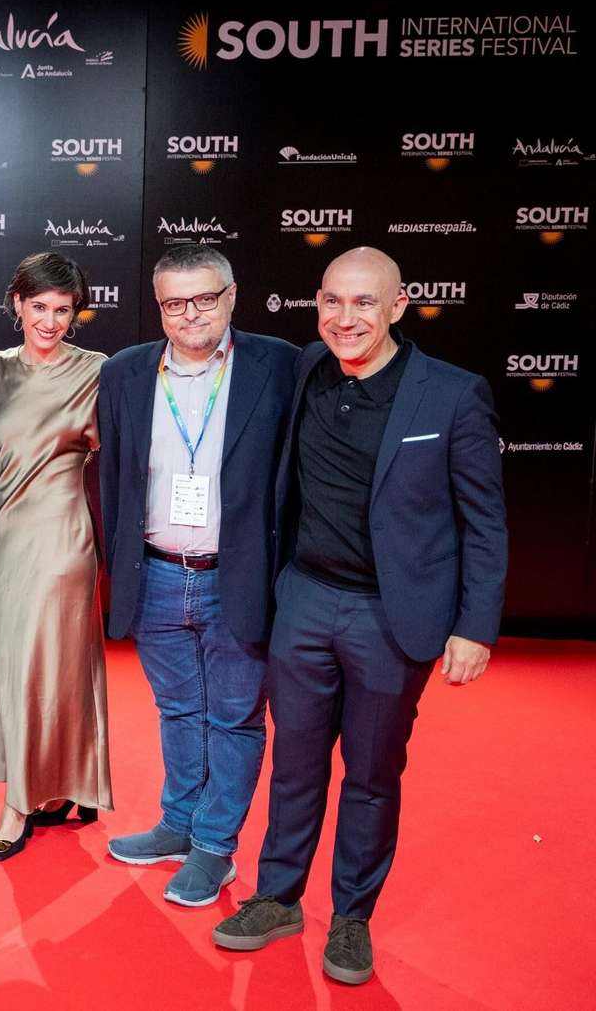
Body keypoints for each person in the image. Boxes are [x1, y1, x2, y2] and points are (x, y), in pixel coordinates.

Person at [214, 247, 506, 986]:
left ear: (400, 306)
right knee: (295, 764)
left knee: (372, 773)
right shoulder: (308, 367)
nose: (346, 318)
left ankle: (352, 917)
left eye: (365, 302)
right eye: (333, 301)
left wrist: (475, 626)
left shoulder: (452, 394)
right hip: (305, 600)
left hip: (391, 618)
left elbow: (485, 522)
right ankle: (278, 897)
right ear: (317, 304)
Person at [97, 243, 299, 907]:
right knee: (179, 709)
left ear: (232, 296)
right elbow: (114, 480)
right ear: (159, 307)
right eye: (175, 303)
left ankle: (215, 846)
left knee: (236, 718)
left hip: (237, 576)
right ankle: (179, 825)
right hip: (155, 574)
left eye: (205, 298)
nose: (191, 314)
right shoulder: (125, 372)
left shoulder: (279, 365)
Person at [0, 253, 111, 862]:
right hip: (3, 538)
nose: (50, 321)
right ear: (17, 304)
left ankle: (19, 801)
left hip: (62, 540)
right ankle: (58, 785)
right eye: (39, 307)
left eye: (63, 310)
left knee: (49, 664)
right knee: (15, 667)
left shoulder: (97, 372)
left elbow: (126, 449)